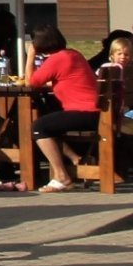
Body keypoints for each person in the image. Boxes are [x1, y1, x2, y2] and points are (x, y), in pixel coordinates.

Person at [27, 26, 102, 193]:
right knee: (50, 123)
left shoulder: (56, 59)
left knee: (39, 127)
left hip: (85, 113)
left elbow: (30, 82)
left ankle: (62, 176)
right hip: (97, 112)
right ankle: (76, 159)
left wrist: (30, 55)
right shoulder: (73, 54)